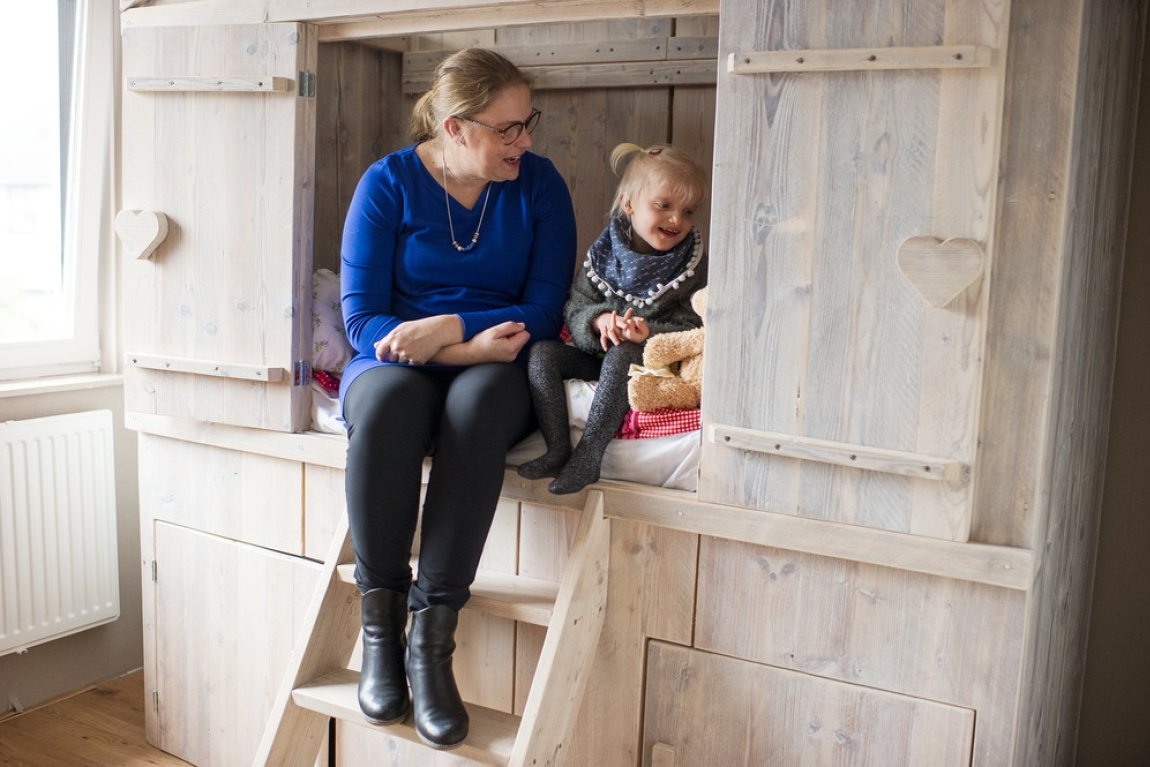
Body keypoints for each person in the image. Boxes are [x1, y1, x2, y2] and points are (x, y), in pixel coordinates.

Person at [338, 48, 576, 749]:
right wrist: (459, 344)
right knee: (385, 408)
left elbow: (542, 307)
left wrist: (454, 327)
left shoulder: (538, 186)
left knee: (473, 410)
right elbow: (362, 320)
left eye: (527, 122)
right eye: (507, 129)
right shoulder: (387, 185)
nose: (524, 140)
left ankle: (430, 645)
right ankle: (382, 633)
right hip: (399, 356)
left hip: (501, 356)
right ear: (456, 128)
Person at [517, 142, 708, 495]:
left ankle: (589, 455)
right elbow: (575, 306)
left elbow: (694, 329)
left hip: (649, 362)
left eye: (688, 211)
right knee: (542, 353)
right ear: (629, 204)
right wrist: (599, 321)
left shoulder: (692, 268)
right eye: (664, 206)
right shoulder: (604, 254)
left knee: (622, 355)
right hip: (596, 355)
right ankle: (558, 448)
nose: (676, 220)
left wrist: (648, 333)